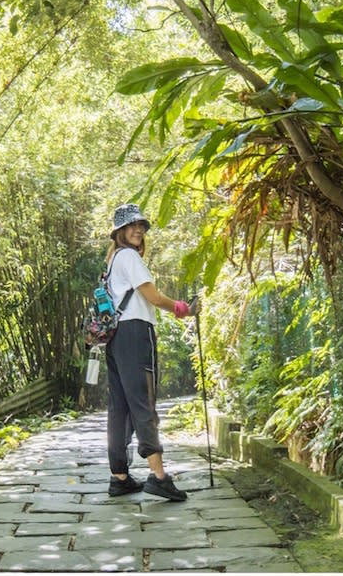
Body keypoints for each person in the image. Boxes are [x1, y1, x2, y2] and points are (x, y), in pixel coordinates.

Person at [104, 203, 197, 501]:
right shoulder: (129, 257)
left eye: (141, 226)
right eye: (131, 225)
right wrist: (184, 309)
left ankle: (120, 477)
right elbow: (154, 297)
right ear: (119, 231)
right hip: (135, 334)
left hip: (117, 337)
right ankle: (159, 477)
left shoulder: (114, 260)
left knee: (120, 407)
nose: (138, 230)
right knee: (143, 402)